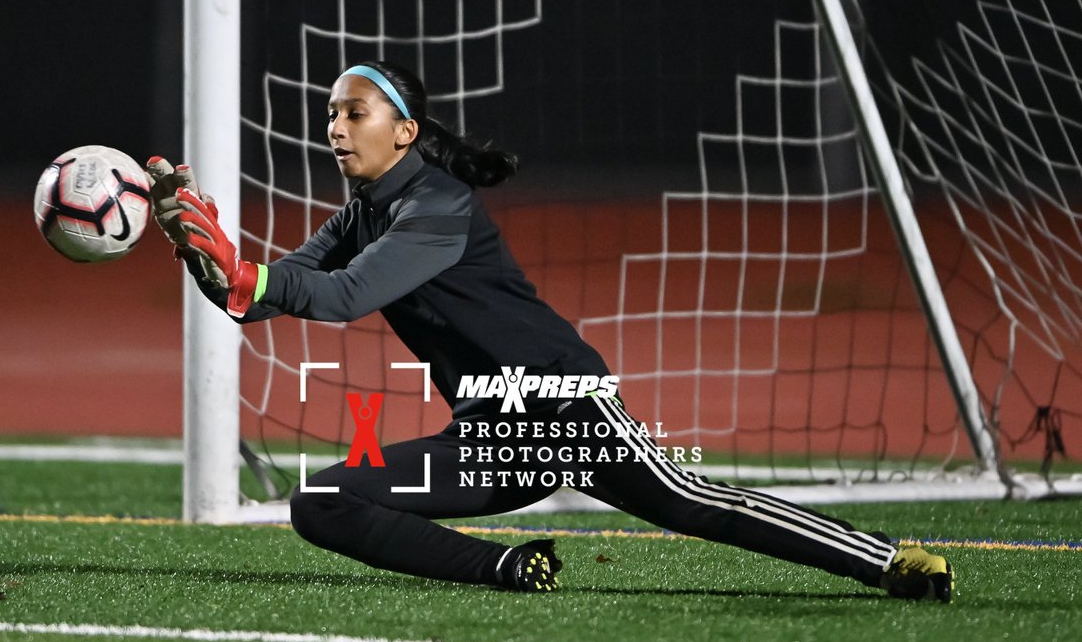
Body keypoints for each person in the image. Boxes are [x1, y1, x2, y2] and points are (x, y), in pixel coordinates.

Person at [146, 60, 953, 601]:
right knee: (321, 501)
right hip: (494, 440)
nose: (333, 127)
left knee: (692, 501)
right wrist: (198, 253)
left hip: (565, 413)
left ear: (404, 132)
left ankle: (885, 559)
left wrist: (243, 269)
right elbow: (261, 298)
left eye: (353, 112)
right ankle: (507, 568)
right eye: (329, 114)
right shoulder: (363, 212)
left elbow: (347, 295)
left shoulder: (439, 206)